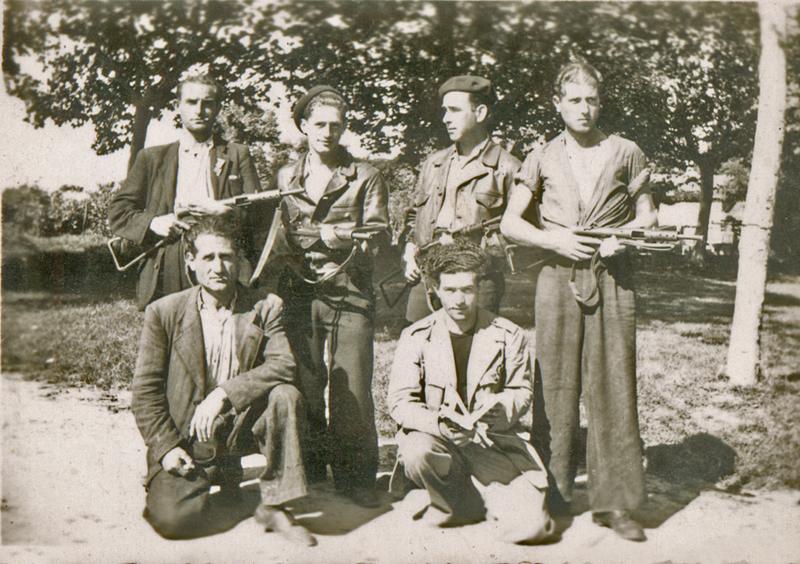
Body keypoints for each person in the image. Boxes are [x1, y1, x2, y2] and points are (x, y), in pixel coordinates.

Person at [500, 61, 657, 542]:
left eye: (591, 99)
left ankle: (616, 503)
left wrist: (622, 238)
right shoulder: (541, 156)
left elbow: (649, 217)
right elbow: (510, 223)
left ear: (600, 102)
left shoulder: (626, 151)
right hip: (557, 277)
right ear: (558, 104)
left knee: (614, 383)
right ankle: (555, 494)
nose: (583, 108)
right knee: (554, 385)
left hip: (614, 278)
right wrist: (555, 240)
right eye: (574, 100)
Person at [131, 212, 316, 545]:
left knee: (286, 395)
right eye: (208, 257)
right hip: (190, 435)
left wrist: (223, 394)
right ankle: (217, 477)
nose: (218, 267)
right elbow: (145, 393)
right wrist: (167, 448)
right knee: (173, 521)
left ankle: (276, 504)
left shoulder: (264, 307)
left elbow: (284, 364)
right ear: (190, 261)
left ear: (239, 260)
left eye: (227, 257)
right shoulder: (163, 312)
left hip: (240, 423)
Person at [263, 85, 389, 507]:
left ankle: (356, 478)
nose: (327, 133)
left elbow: (379, 232)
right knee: (306, 379)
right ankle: (313, 470)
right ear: (303, 126)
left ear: (345, 127)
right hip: (299, 287)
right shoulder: (285, 176)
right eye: (319, 124)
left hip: (350, 287)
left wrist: (342, 235)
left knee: (351, 382)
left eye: (336, 125)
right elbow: (277, 232)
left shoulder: (366, 175)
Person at [387, 240, 555, 544]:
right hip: (439, 442)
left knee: (534, 528)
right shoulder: (415, 336)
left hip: (491, 442)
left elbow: (521, 389)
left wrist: (502, 407)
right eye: (450, 290)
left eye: (467, 290)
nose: (459, 300)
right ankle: (451, 502)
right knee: (417, 451)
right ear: (436, 290)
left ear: (479, 289)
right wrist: (440, 425)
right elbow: (400, 402)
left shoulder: (508, 334)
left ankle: (470, 499)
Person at [109, 72, 261, 310]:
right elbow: (119, 212)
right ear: (177, 106)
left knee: (225, 326)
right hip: (169, 259)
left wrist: (226, 212)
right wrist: (154, 223)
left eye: (207, 103)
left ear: (218, 108)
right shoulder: (152, 158)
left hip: (221, 259)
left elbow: (259, 215)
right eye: (191, 102)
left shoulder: (237, 154)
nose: (199, 110)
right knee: (174, 326)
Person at [401, 75, 520, 323]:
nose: (445, 118)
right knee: (419, 340)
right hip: (427, 278)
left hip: (476, 282)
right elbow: (414, 217)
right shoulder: (433, 164)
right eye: (445, 110)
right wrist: (410, 251)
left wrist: (468, 252)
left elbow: (520, 234)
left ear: (481, 112)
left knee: (473, 345)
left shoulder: (508, 168)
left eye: (454, 110)